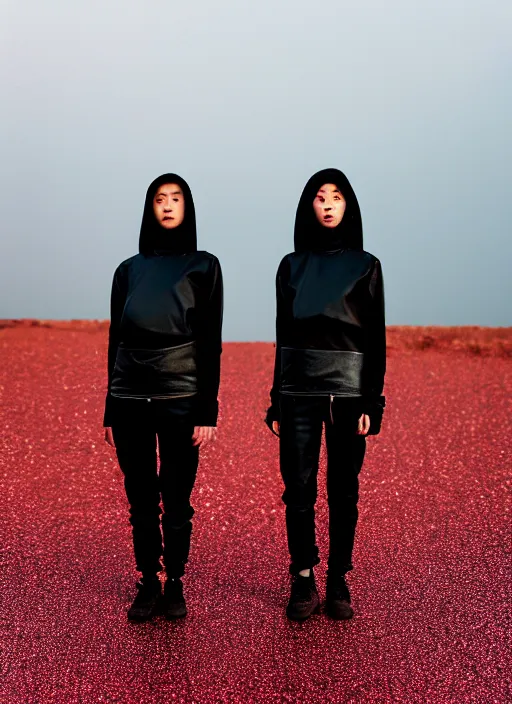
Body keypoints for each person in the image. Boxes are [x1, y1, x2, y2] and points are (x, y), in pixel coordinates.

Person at [265, 168, 386, 621]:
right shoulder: (290, 266)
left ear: (348, 205)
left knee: (343, 489)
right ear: (308, 206)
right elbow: (281, 335)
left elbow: (375, 338)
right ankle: (302, 576)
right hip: (297, 389)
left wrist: (372, 401)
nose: (329, 203)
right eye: (321, 196)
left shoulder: (366, 265)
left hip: (349, 393)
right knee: (298, 488)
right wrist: (276, 398)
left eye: (337, 196)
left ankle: (338, 578)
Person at [104, 174, 223, 622]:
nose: (168, 206)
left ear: (187, 207)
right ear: (149, 208)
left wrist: (207, 409)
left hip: (182, 396)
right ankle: (147, 581)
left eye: (176, 199)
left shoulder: (205, 266)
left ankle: (175, 582)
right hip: (130, 396)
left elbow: (211, 341)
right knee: (139, 497)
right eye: (160, 199)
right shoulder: (127, 270)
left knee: (176, 497)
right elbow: (115, 341)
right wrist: (109, 410)